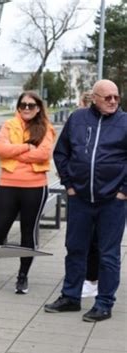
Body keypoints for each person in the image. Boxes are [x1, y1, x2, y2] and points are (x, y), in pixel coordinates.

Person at [45, 79, 126, 322]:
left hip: (113, 201)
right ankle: (70, 296)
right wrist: (69, 185)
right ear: (94, 98)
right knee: (75, 248)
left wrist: (124, 190)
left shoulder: (125, 122)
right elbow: (62, 152)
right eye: (107, 97)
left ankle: (104, 303)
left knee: (108, 254)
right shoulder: (78, 119)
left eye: (116, 97)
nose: (113, 101)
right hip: (80, 198)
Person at [0, 91, 55, 294]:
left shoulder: (46, 128)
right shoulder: (9, 125)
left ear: (38, 107)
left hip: (35, 187)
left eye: (31, 105)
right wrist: (26, 147)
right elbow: (0, 149)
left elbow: (44, 154)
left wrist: (16, 151)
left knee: (28, 233)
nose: (27, 108)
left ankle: (22, 277)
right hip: (9, 185)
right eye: (23, 105)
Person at [77, 91, 99, 298]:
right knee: (78, 241)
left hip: (104, 194)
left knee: (95, 240)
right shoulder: (77, 123)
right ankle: (82, 278)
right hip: (80, 192)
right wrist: (69, 183)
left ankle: (92, 279)